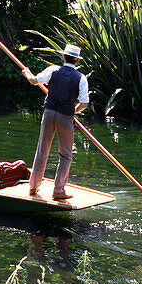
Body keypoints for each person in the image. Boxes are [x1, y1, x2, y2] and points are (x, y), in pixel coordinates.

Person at [21, 44, 89, 201]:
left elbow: (34, 81)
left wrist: (27, 73)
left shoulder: (53, 70)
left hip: (49, 112)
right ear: (77, 60)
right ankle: (58, 190)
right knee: (66, 154)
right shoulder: (81, 78)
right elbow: (84, 103)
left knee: (42, 149)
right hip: (65, 116)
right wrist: (73, 111)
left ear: (64, 57)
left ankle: (33, 186)